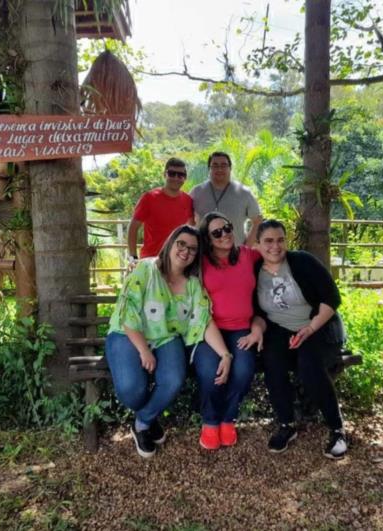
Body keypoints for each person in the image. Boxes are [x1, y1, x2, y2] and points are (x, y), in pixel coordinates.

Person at [105, 225, 234, 458]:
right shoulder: (146, 269)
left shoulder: (193, 285)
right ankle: (149, 415)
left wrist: (225, 354)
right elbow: (128, 313)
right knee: (131, 390)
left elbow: (204, 321)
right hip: (128, 333)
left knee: (173, 380)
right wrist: (144, 351)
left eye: (193, 249)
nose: (185, 251)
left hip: (165, 337)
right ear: (170, 243)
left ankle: (143, 422)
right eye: (181, 244)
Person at [253, 219, 348, 460]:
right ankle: (286, 424)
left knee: (309, 367)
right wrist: (257, 328)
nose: (275, 246)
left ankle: (337, 429)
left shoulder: (302, 261)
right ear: (258, 244)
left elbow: (331, 298)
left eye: (280, 240)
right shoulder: (255, 271)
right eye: (268, 241)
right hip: (279, 330)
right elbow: (259, 314)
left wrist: (309, 329)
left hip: (316, 326)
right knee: (272, 363)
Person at [193, 212, 265, 450]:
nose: (224, 234)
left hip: (241, 329)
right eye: (216, 232)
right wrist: (139, 261)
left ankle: (228, 418)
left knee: (243, 371)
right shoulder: (201, 262)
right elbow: (172, 258)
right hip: (210, 329)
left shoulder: (246, 255)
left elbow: (275, 253)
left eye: (227, 227)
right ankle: (210, 421)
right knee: (209, 373)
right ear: (208, 238)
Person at [127, 158, 194, 264]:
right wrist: (133, 257)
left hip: (177, 262)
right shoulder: (149, 198)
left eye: (180, 175)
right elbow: (133, 227)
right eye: (172, 173)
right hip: (151, 260)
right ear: (165, 174)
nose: (176, 178)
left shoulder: (188, 200)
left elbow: (192, 229)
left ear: (185, 178)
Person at [189, 152, 262, 246]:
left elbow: (257, 221)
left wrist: (246, 248)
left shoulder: (244, 192)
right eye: (215, 165)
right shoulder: (196, 192)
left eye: (224, 165)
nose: (219, 169)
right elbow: (187, 221)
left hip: (235, 254)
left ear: (230, 168)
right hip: (204, 255)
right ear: (209, 169)